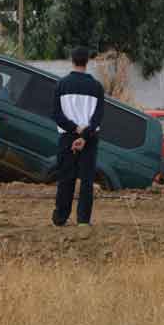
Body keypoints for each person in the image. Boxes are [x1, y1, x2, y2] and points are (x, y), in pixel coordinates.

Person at [51, 47, 104, 228]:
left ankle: (60, 217)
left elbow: (57, 115)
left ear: (71, 60)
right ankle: (83, 219)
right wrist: (84, 136)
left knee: (66, 178)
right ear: (87, 61)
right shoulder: (97, 87)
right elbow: (97, 117)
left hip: (67, 138)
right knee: (87, 180)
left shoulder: (61, 85)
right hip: (89, 139)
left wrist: (74, 129)